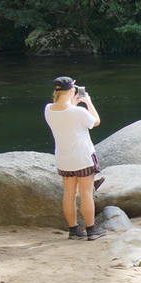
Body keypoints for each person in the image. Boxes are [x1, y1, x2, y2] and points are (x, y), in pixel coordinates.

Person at [44, 76, 104, 240]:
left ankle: (74, 230)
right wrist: (88, 102)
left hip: (64, 159)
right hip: (83, 158)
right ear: (72, 90)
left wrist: (74, 104)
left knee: (69, 194)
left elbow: (65, 116)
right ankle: (91, 230)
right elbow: (96, 122)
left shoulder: (48, 109)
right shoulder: (79, 112)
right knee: (86, 193)